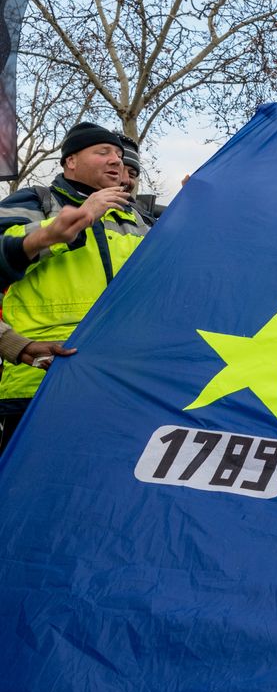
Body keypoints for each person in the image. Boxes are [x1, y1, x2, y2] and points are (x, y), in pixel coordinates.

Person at [0, 122, 146, 449]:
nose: (116, 161)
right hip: (41, 383)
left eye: (119, 156)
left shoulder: (134, 217)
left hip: (122, 384)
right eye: (103, 152)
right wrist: (53, 233)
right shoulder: (35, 200)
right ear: (71, 161)